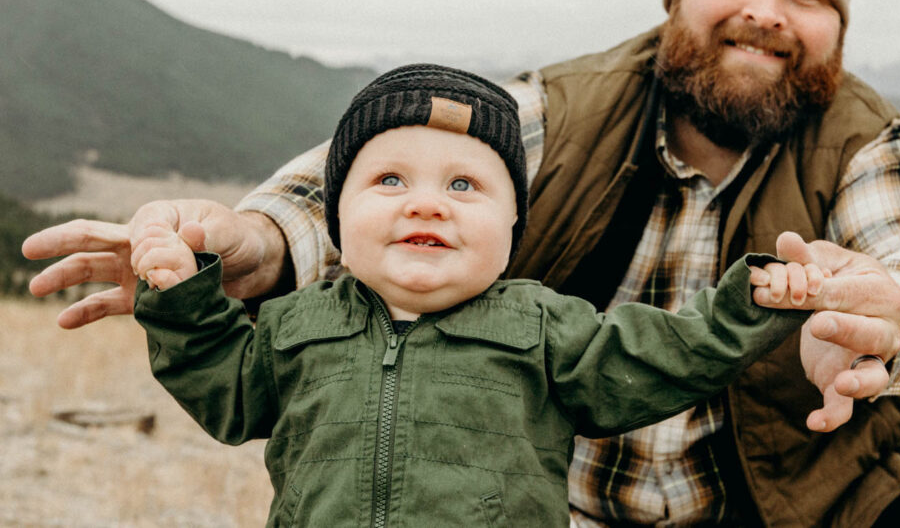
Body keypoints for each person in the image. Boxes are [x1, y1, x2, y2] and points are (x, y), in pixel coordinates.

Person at [22, 0, 900, 527]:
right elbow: (376, 170)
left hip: (803, 513)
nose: (764, 13)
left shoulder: (863, 137)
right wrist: (259, 240)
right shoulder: (558, 108)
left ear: (837, 27)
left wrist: (896, 308)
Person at [131, 64, 822, 526]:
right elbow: (224, 390)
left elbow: (664, 353)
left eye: (464, 185)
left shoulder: (542, 325)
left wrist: (749, 304)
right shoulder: (293, 324)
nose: (427, 205)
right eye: (390, 181)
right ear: (339, 218)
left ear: (512, 225)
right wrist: (179, 295)